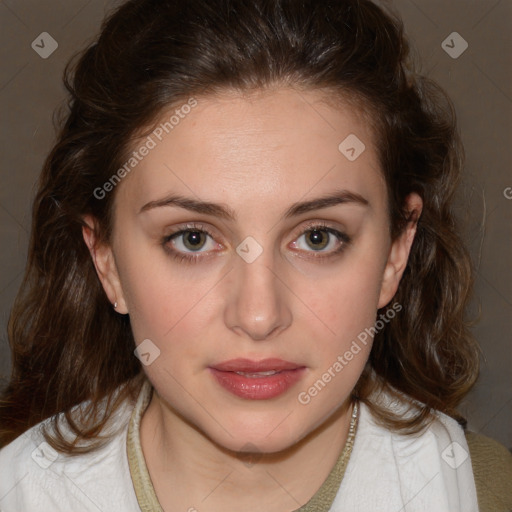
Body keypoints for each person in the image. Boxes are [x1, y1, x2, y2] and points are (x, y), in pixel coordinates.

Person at [0, 0, 511, 510]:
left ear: (396, 252)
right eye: (193, 238)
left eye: (318, 237)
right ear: (106, 261)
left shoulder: (484, 493)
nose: (259, 315)